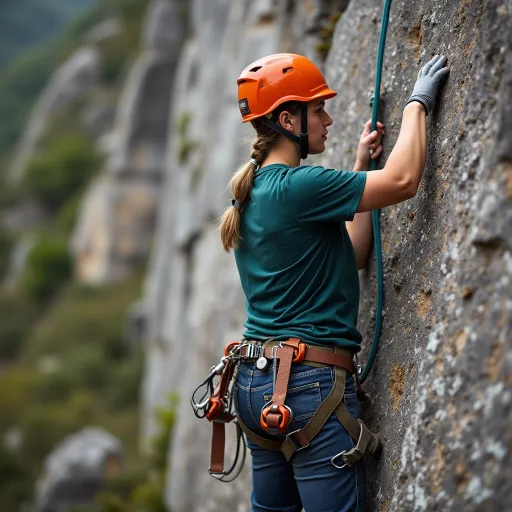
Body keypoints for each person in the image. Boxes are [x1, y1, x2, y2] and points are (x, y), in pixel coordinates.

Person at [219, 53, 449, 512]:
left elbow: (355, 253)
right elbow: (403, 180)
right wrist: (417, 105)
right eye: (317, 108)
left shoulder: (255, 191)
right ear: (288, 119)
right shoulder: (299, 185)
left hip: (253, 383)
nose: (328, 117)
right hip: (307, 386)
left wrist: (362, 165)